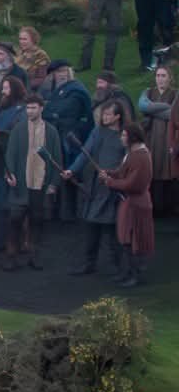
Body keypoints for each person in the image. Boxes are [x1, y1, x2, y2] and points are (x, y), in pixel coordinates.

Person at [66, 97, 127, 278]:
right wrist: (71, 170)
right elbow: (85, 153)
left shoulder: (125, 134)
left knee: (113, 231)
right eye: (104, 114)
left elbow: (128, 161)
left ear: (117, 116)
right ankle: (89, 263)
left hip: (114, 188)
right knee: (92, 226)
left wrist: (116, 176)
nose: (104, 117)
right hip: (97, 187)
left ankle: (118, 267)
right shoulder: (98, 131)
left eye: (108, 114)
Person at [2, 93, 60, 270]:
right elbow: (10, 154)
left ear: (41, 108)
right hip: (21, 183)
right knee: (14, 220)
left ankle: (34, 256)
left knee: (37, 221)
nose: (29, 111)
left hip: (40, 184)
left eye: (33, 108)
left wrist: (53, 183)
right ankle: (11, 255)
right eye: (27, 108)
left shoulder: (51, 131)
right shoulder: (18, 129)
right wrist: (9, 174)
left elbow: (57, 158)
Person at [42, 60, 95, 222]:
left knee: (69, 172)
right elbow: (47, 111)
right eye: (59, 72)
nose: (62, 75)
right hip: (56, 135)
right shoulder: (55, 91)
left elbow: (62, 110)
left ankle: (70, 212)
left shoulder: (76, 90)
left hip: (71, 137)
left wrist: (52, 112)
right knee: (54, 170)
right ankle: (55, 211)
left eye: (64, 71)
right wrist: (51, 112)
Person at [110, 125, 155, 287]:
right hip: (129, 203)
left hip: (136, 204)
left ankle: (136, 275)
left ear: (132, 137)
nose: (121, 138)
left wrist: (110, 182)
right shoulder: (132, 154)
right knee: (126, 240)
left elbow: (133, 184)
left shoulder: (140, 157)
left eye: (124, 135)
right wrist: (109, 174)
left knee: (135, 240)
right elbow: (123, 172)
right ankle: (128, 272)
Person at [139, 66, 179, 215]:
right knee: (153, 167)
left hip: (169, 136)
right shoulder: (148, 92)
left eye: (163, 75)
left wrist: (153, 110)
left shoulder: (175, 94)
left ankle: (169, 206)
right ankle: (153, 206)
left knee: (168, 169)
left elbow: (173, 114)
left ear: (169, 78)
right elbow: (143, 106)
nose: (160, 79)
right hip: (151, 137)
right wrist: (165, 108)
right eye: (158, 75)